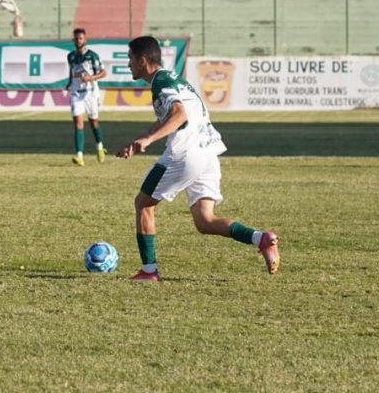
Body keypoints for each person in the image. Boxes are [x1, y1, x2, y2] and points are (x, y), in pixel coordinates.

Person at [115, 36, 280, 281]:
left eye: (129, 59)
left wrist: (149, 141)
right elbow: (171, 116)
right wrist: (140, 139)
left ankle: (149, 271)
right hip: (208, 152)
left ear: (142, 60)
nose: (128, 64)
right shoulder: (173, 80)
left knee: (143, 204)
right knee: (205, 220)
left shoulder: (161, 82)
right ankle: (261, 238)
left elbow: (179, 115)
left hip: (185, 154)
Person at [65, 28, 107, 166]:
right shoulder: (71, 56)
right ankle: (79, 156)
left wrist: (91, 77)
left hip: (90, 93)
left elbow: (103, 72)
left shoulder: (92, 56)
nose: (78, 41)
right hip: (76, 93)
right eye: (76, 38)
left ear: (85, 39)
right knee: (78, 123)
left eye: (81, 38)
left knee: (93, 122)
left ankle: (99, 147)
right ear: (73, 40)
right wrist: (70, 83)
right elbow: (72, 72)